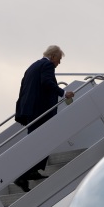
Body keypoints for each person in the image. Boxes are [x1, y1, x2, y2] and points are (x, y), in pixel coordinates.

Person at [13, 45, 75, 192]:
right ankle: (23, 175)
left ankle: (32, 171)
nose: (58, 63)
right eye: (59, 60)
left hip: (29, 109)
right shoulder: (47, 65)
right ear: (53, 56)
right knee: (45, 139)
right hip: (40, 109)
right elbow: (47, 82)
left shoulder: (33, 66)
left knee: (36, 140)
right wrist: (63, 92)